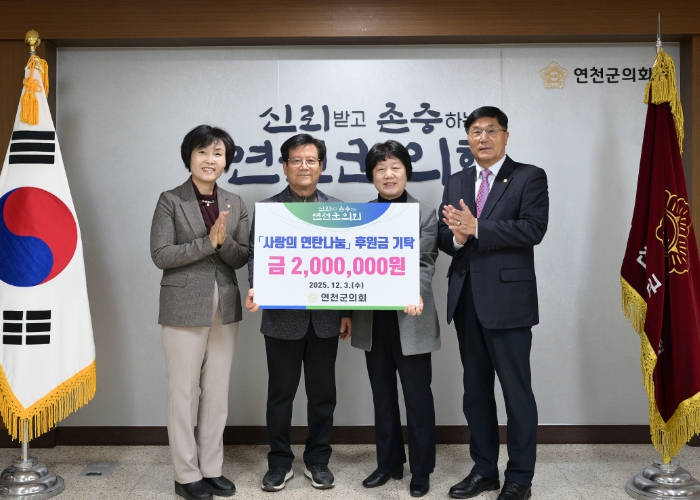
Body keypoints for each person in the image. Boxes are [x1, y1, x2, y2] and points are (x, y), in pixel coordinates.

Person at [438, 106, 548, 500]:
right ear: (468, 138)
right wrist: (458, 238)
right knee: (476, 392)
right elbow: (444, 236)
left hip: (508, 302)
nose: (482, 138)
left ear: (505, 135)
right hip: (466, 299)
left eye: (490, 130)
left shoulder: (528, 176)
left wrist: (478, 227)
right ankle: (484, 469)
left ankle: (520, 478)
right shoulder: (457, 180)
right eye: (475, 131)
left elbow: (533, 229)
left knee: (517, 394)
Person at [245, 133, 352, 492]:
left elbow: (347, 264)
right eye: (296, 160)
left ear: (321, 166)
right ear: (285, 166)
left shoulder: (337, 210)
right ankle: (279, 462)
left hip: (325, 319)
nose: (304, 166)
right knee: (281, 395)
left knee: (323, 396)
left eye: (311, 160)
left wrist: (347, 311)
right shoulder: (269, 209)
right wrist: (257, 287)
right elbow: (256, 255)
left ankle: (318, 460)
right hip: (281, 319)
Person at [150, 125, 250, 500]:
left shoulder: (235, 202)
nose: (210, 160)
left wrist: (222, 245)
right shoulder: (170, 200)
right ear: (189, 157)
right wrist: (208, 243)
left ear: (227, 161)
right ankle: (185, 473)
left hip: (225, 304)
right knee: (183, 392)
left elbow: (241, 256)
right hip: (183, 304)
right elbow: (161, 254)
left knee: (217, 392)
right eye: (202, 152)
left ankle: (211, 469)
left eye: (218, 153)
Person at [351, 140, 440, 498]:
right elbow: (350, 268)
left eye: (395, 167)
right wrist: (346, 312)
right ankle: (388, 463)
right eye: (380, 169)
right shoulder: (361, 215)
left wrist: (412, 292)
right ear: (372, 176)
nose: (388, 175)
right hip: (373, 321)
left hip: (410, 318)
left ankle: (421, 468)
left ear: (406, 172)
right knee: (383, 396)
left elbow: (425, 261)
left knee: (418, 399)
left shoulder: (425, 214)